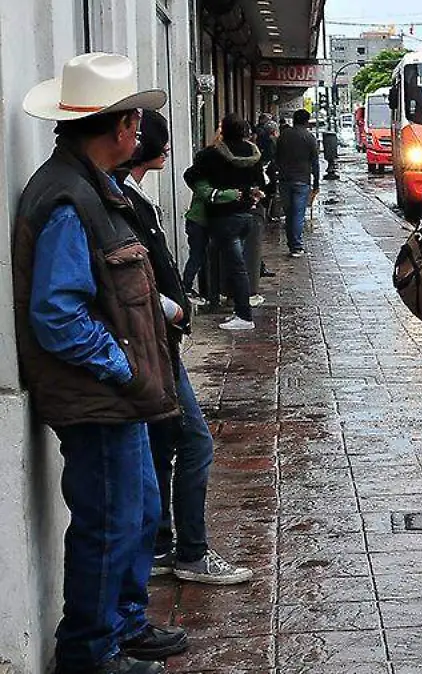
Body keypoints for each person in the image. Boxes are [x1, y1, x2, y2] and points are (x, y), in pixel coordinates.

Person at [14, 52, 188, 674]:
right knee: (108, 524)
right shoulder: (68, 198)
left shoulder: (92, 187)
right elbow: (58, 315)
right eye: (135, 121)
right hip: (99, 396)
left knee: (137, 513)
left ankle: (124, 622)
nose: (139, 131)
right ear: (120, 128)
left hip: (121, 394)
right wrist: (122, 368)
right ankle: (90, 652)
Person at [117, 110, 255, 587]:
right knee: (195, 442)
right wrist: (171, 309)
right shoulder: (120, 201)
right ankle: (191, 551)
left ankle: (160, 543)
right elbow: (124, 278)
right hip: (152, 341)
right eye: (155, 139)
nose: (166, 147)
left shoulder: (129, 196)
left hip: (153, 340)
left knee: (161, 444)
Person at [187, 114, 265, 330]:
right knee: (237, 265)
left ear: (223, 131)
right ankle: (237, 310)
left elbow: (190, 176)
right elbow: (260, 182)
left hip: (222, 218)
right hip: (246, 216)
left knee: (236, 268)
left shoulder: (211, 155)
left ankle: (244, 316)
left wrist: (211, 193)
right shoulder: (253, 153)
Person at [273, 109, 320, 257]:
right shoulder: (309, 137)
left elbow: (276, 157)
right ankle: (296, 246)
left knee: (289, 214)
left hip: (285, 180)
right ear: (307, 121)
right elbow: (315, 162)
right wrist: (316, 183)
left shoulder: (283, 136)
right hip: (302, 180)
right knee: (298, 214)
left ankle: (292, 244)